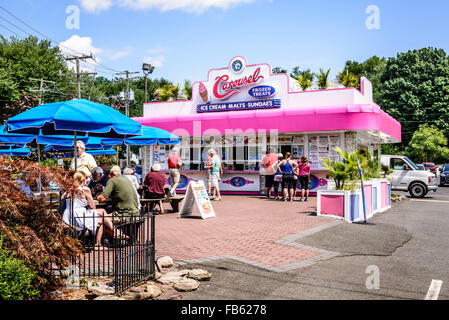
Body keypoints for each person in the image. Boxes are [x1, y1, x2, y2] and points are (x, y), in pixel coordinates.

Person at [62, 171, 126, 248]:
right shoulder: (85, 189)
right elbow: (93, 207)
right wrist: (88, 204)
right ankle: (105, 239)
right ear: (83, 179)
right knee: (102, 214)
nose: (87, 180)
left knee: (101, 215)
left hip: (67, 216)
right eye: (86, 178)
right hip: (79, 216)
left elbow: (63, 199)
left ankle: (114, 233)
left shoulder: (69, 190)